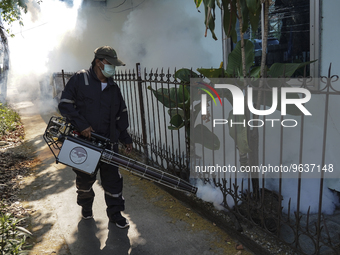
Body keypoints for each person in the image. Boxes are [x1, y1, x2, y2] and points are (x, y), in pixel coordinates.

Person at [58, 46, 133, 228]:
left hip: (109, 143)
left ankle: (115, 214)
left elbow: (120, 115)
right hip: (85, 143)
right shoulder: (79, 79)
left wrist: (125, 137)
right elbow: (65, 104)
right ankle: (86, 207)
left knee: (113, 182)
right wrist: (81, 124)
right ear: (99, 62)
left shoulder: (113, 87)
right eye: (110, 64)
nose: (113, 69)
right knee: (85, 181)